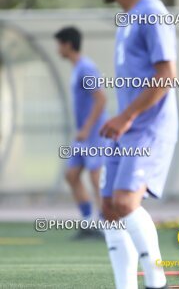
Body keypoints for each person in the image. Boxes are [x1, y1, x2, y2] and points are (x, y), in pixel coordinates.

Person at [95, 0, 178, 288]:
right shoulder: (127, 19)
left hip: (148, 128)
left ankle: (157, 283)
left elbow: (167, 75)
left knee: (127, 203)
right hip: (125, 128)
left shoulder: (152, 13)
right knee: (109, 208)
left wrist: (127, 116)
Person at [54, 26, 107, 239]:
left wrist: (86, 128)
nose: (57, 49)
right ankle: (88, 222)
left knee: (96, 179)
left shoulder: (86, 67)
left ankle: (106, 226)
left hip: (93, 134)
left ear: (68, 44)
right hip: (82, 136)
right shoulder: (77, 68)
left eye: (59, 44)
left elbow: (101, 98)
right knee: (71, 175)